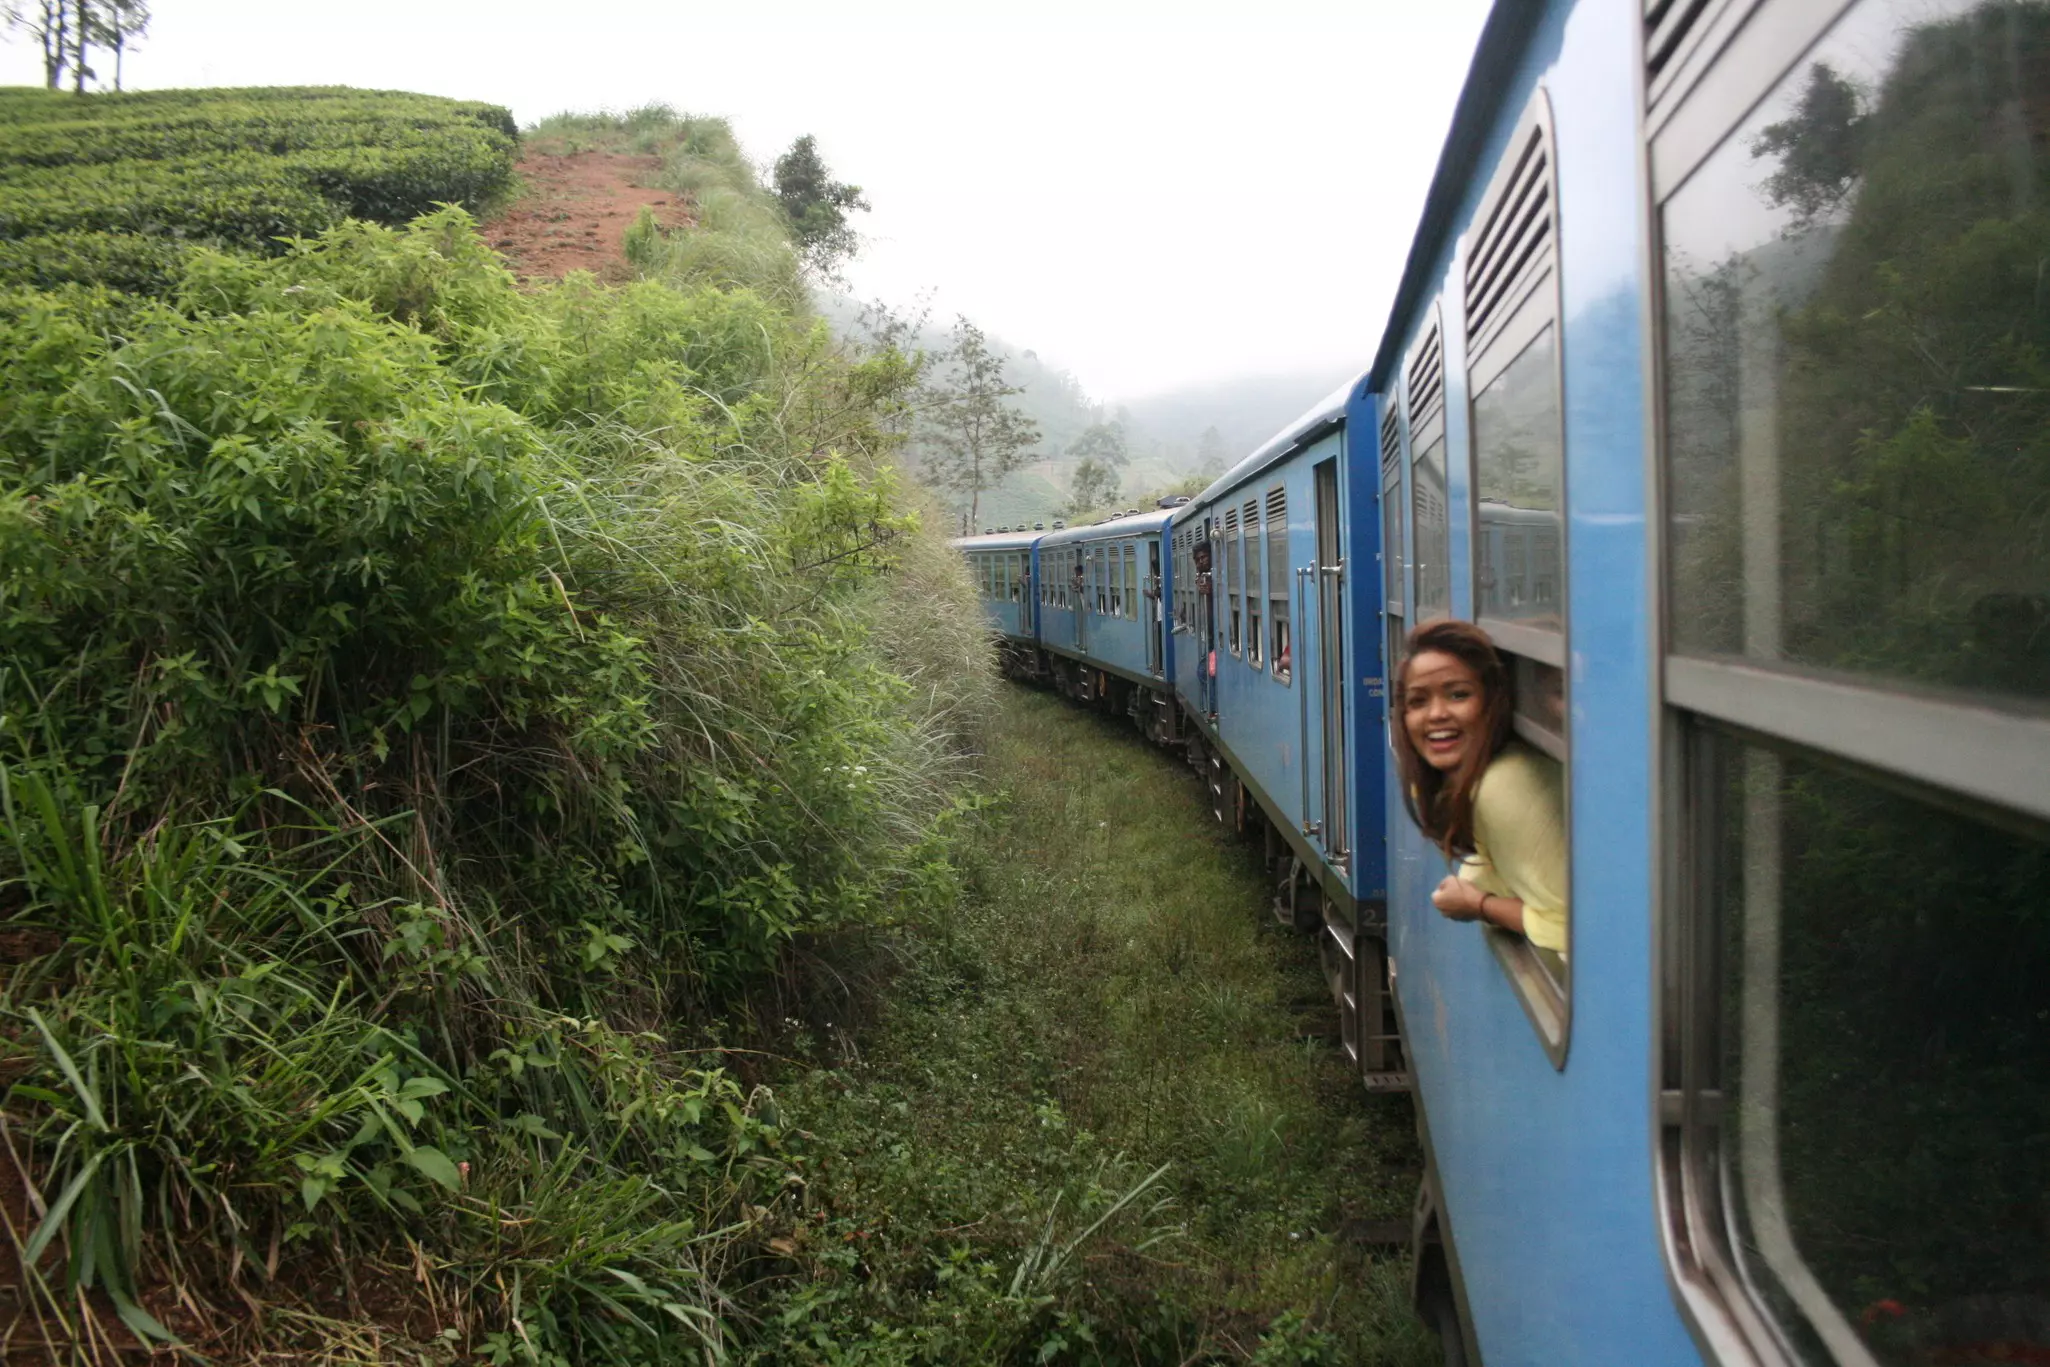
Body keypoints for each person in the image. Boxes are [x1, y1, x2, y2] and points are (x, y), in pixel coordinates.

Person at [1392, 620, 1567, 957]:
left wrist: (1479, 904)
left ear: (1491, 702)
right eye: (1418, 702)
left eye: (1458, 694)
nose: (1437, 714)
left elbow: (1572, 929)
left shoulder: (1503, 788)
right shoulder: (1478, 780)